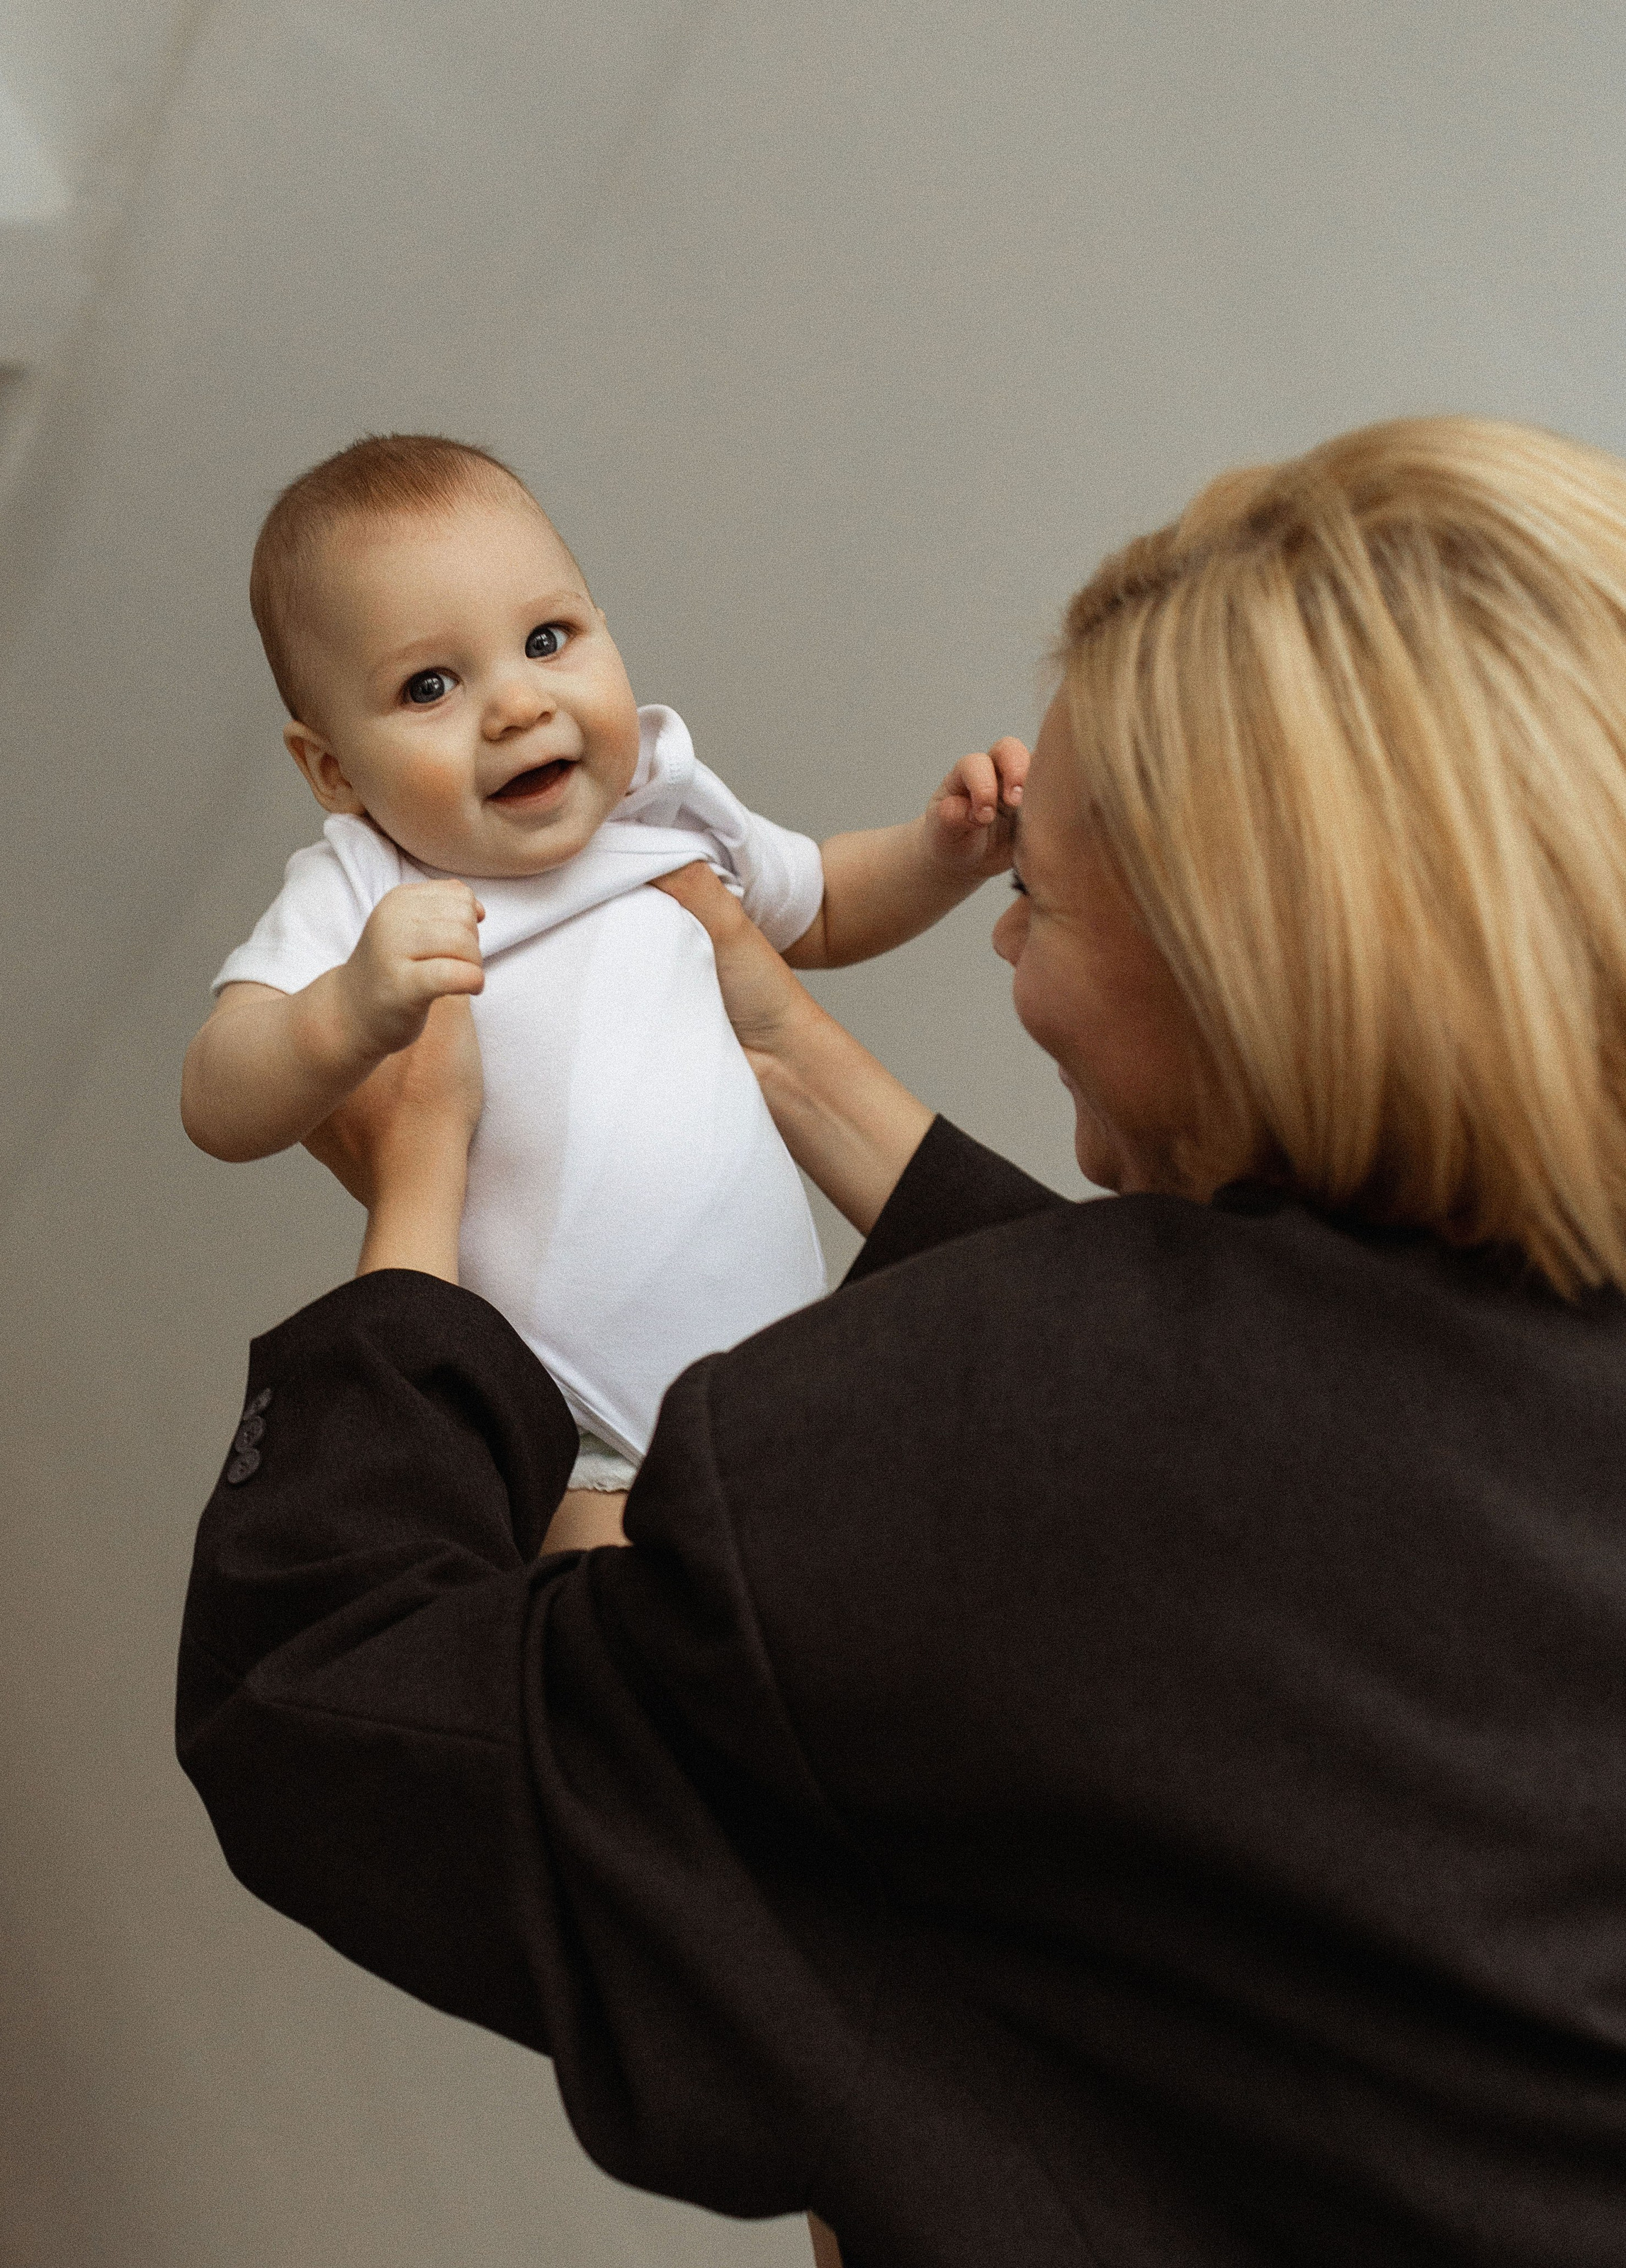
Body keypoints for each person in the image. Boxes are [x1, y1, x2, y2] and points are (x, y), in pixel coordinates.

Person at [179, 417, 1626, 2265]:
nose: (1001, 945)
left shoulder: (940, 1463)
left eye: (1040, 894)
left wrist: (413, 1211)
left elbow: (315, 1713)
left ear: (1240, 956)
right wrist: (800, 1057)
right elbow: (1250, 1455)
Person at [180, 434, 1024, 1550]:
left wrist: (940, 854)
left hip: (794, 1368)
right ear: (334, 771)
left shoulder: (660, 807)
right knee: (648, 1647)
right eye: (430, 685)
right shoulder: (368, 884)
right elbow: (216, 1094)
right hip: (581, 1442)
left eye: (547, 638)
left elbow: (816, 907)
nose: (518, 704)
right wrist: (339, 1014)